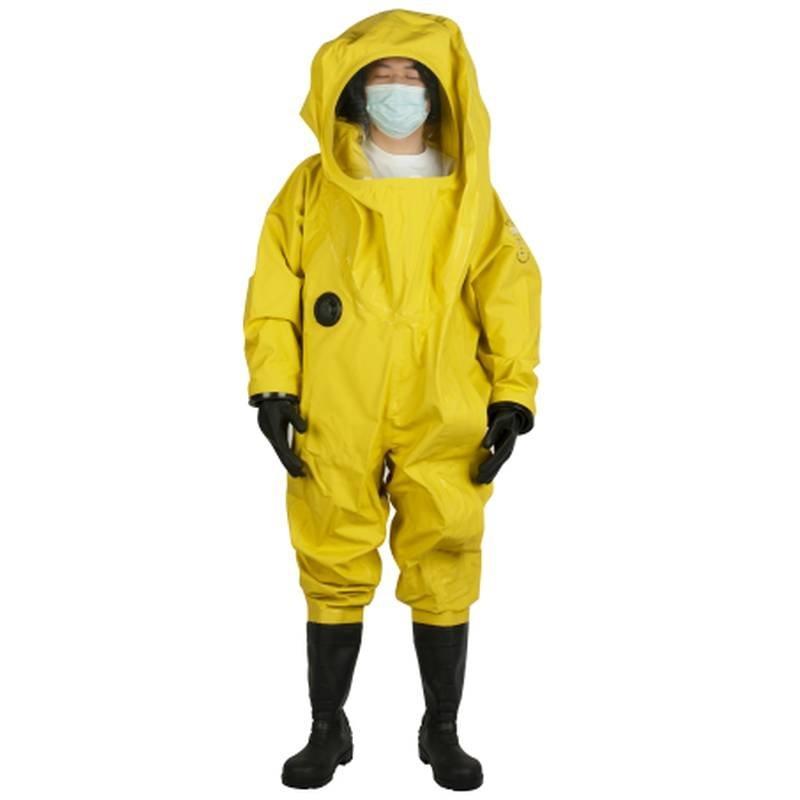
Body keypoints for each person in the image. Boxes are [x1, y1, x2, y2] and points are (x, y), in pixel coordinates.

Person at [243, 9, 542, 791]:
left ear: (443, 92)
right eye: (384, 74)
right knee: (330, 550)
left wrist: (511, 395)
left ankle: (441, 729)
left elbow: (509, 293)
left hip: (444, 399)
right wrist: (273, 385)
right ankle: (327, 726)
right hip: (335, 401)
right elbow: (274, 290)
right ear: (352, 87)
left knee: (445, 549)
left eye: (415, 75)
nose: (400, 88)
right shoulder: (312, 188)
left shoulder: (469, 193)